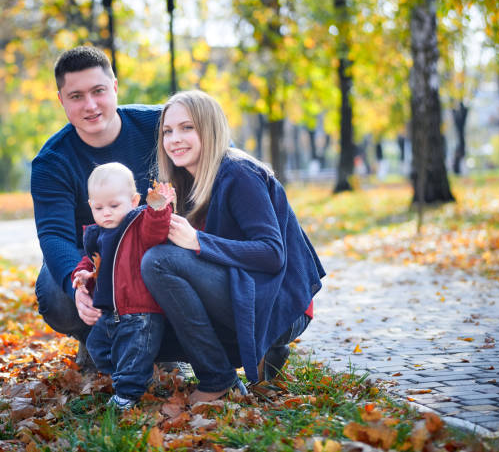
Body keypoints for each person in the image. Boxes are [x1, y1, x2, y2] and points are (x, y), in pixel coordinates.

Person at [140, 90, 326, 405]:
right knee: (153, 271)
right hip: (243, 290)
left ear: (209, 129)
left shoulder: (239, 172)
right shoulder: (185, 183)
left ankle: (218, 380)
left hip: (281, 302)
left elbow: (271, 253)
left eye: (187, 128)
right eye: (167, 131)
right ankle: (249, 360)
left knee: (159, 263)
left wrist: (198, 241)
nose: (174, 139)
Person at [30, 45, 164, 369]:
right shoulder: (52, 162)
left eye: (98, 91)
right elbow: (54, 235)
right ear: (61, 100)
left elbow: (215, 144)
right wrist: (76, 284)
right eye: (76, 96)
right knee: (54, 292)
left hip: (158, 248)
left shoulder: (159, 126)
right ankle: (92, 338)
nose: (90, 105)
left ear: (115, 87)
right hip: (93, 258)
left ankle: (163, 348)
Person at [72, 163, 175, 410]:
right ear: (91, 206)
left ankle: (128, 394)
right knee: (97, 346)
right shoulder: (96, 235)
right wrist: (82, 274)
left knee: (134, 352)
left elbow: (156, 233)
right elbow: (90, 261)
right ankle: (138, 376)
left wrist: (159, 208)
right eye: (99, 207)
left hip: (140, 310)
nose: (106, 212)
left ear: (133, 199)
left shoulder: (138, 224)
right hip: (109, 312)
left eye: (114, 206)